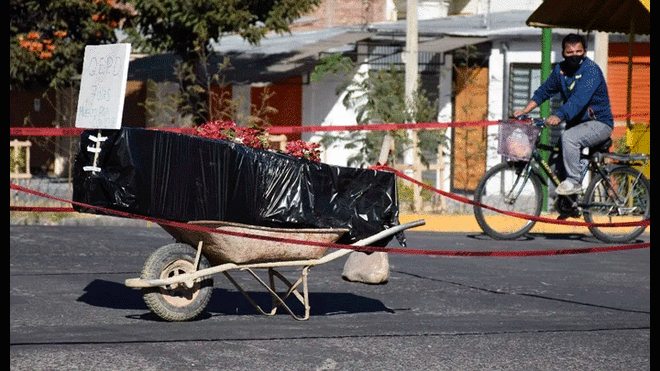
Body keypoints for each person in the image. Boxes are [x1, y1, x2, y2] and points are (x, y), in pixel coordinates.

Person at [513, 33, 613, 195]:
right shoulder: (560, 70)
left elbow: (578, 100)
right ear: (563, 53)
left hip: (599, 123)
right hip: (577, 125)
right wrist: (525, 110)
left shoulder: (591, 71)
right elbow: (544, 92)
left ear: (585, 52)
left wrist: (559, 116)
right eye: (570, 53)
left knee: (569, 138)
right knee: (556, 162)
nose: (574, 56)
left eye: (578, 52)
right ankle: (570, 204)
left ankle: (574, 182)